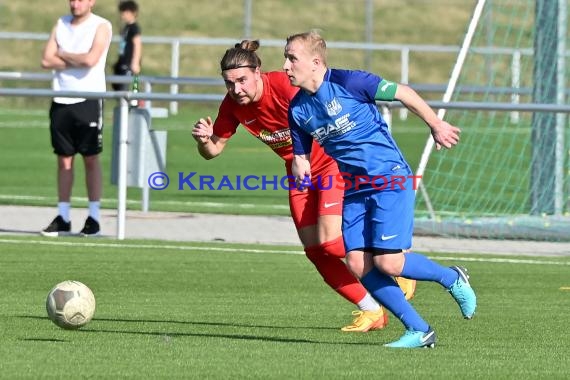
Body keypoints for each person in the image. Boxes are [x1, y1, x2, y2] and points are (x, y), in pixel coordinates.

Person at [191, 40, 417, 332]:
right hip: (299, 173)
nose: (236, 90)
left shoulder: (285, 88)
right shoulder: (232, 105)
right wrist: (203, 141)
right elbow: (214, 150)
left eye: (242, 81)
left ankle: (397, 261)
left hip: (330, 164)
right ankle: (371, 311)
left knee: (331, 242)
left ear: (258, 72)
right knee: (315, 250)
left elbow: (327, 105)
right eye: (229, 83)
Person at [284, 30, 476, 348]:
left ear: (315, 62)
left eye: (292, 58)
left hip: (390, 178)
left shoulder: (350, 83)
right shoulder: (298, 109)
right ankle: (419, 329)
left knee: (389, 263)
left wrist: (435, 123)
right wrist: (300, 168)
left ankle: (452, 277)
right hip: (355, 188)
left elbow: (403, 92)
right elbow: (301, 156)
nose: (286, 65)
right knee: (358, 263)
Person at [40, 0, 112, 237]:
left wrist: (62, 54)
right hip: (61, 100)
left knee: (90, 158)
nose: (75, 3)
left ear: (92, 2)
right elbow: (46, 60)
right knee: (64, 160)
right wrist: (75, 59)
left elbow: (91, 60)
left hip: (88, 99)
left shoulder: (101, 25)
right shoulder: (60, 23)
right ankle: (63, 216)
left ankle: (93, 217)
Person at [111, 0, 142, 92]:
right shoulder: (126, 27)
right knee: (118, 88)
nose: (123, 15)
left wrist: (135, 62)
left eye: (125, 12)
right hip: (123, 63)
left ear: (133, 13)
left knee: (127, 89)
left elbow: (137, 44)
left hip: (129, 65)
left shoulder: (134, 28)